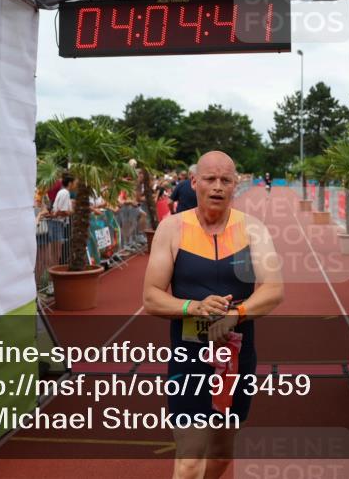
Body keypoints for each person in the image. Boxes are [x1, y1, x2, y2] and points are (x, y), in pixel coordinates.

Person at [143, 151, 283, 479]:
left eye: (225, 180)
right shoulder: (172, 228)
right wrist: (193, 307)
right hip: (188, 358)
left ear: (236, 185)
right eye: (210, 179)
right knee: (189, 461)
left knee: (220, 456)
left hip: (237, 360)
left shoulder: (254, 230)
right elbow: (150, 297)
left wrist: (237, 314)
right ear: (194, 183)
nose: (217, 186)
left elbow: (274, 289)